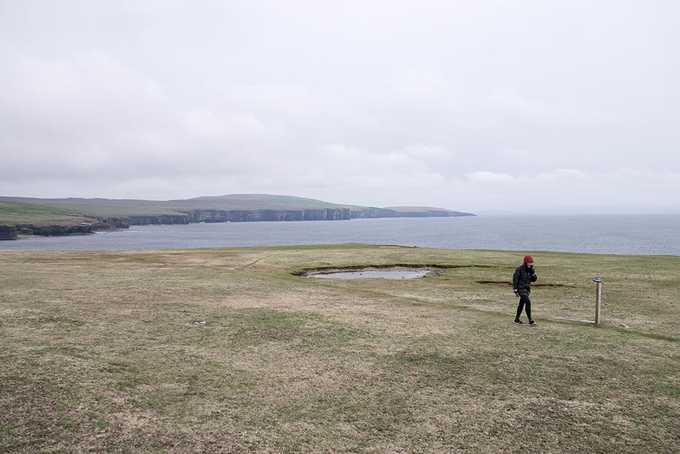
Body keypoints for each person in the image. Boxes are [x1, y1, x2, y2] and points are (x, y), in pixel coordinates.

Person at [513, 255, 538, 325]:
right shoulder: (519, 269)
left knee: (521, 304)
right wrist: (515, 289)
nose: (530, 264)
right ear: (525, 262)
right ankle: (530, 320)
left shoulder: (531, 270)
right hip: (520, 289)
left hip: (527, 289)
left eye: (531, 262)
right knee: (528, 302)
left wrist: (534, 276)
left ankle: (516, 319)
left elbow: (533, 280)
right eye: (529, 262)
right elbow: (515, 279)